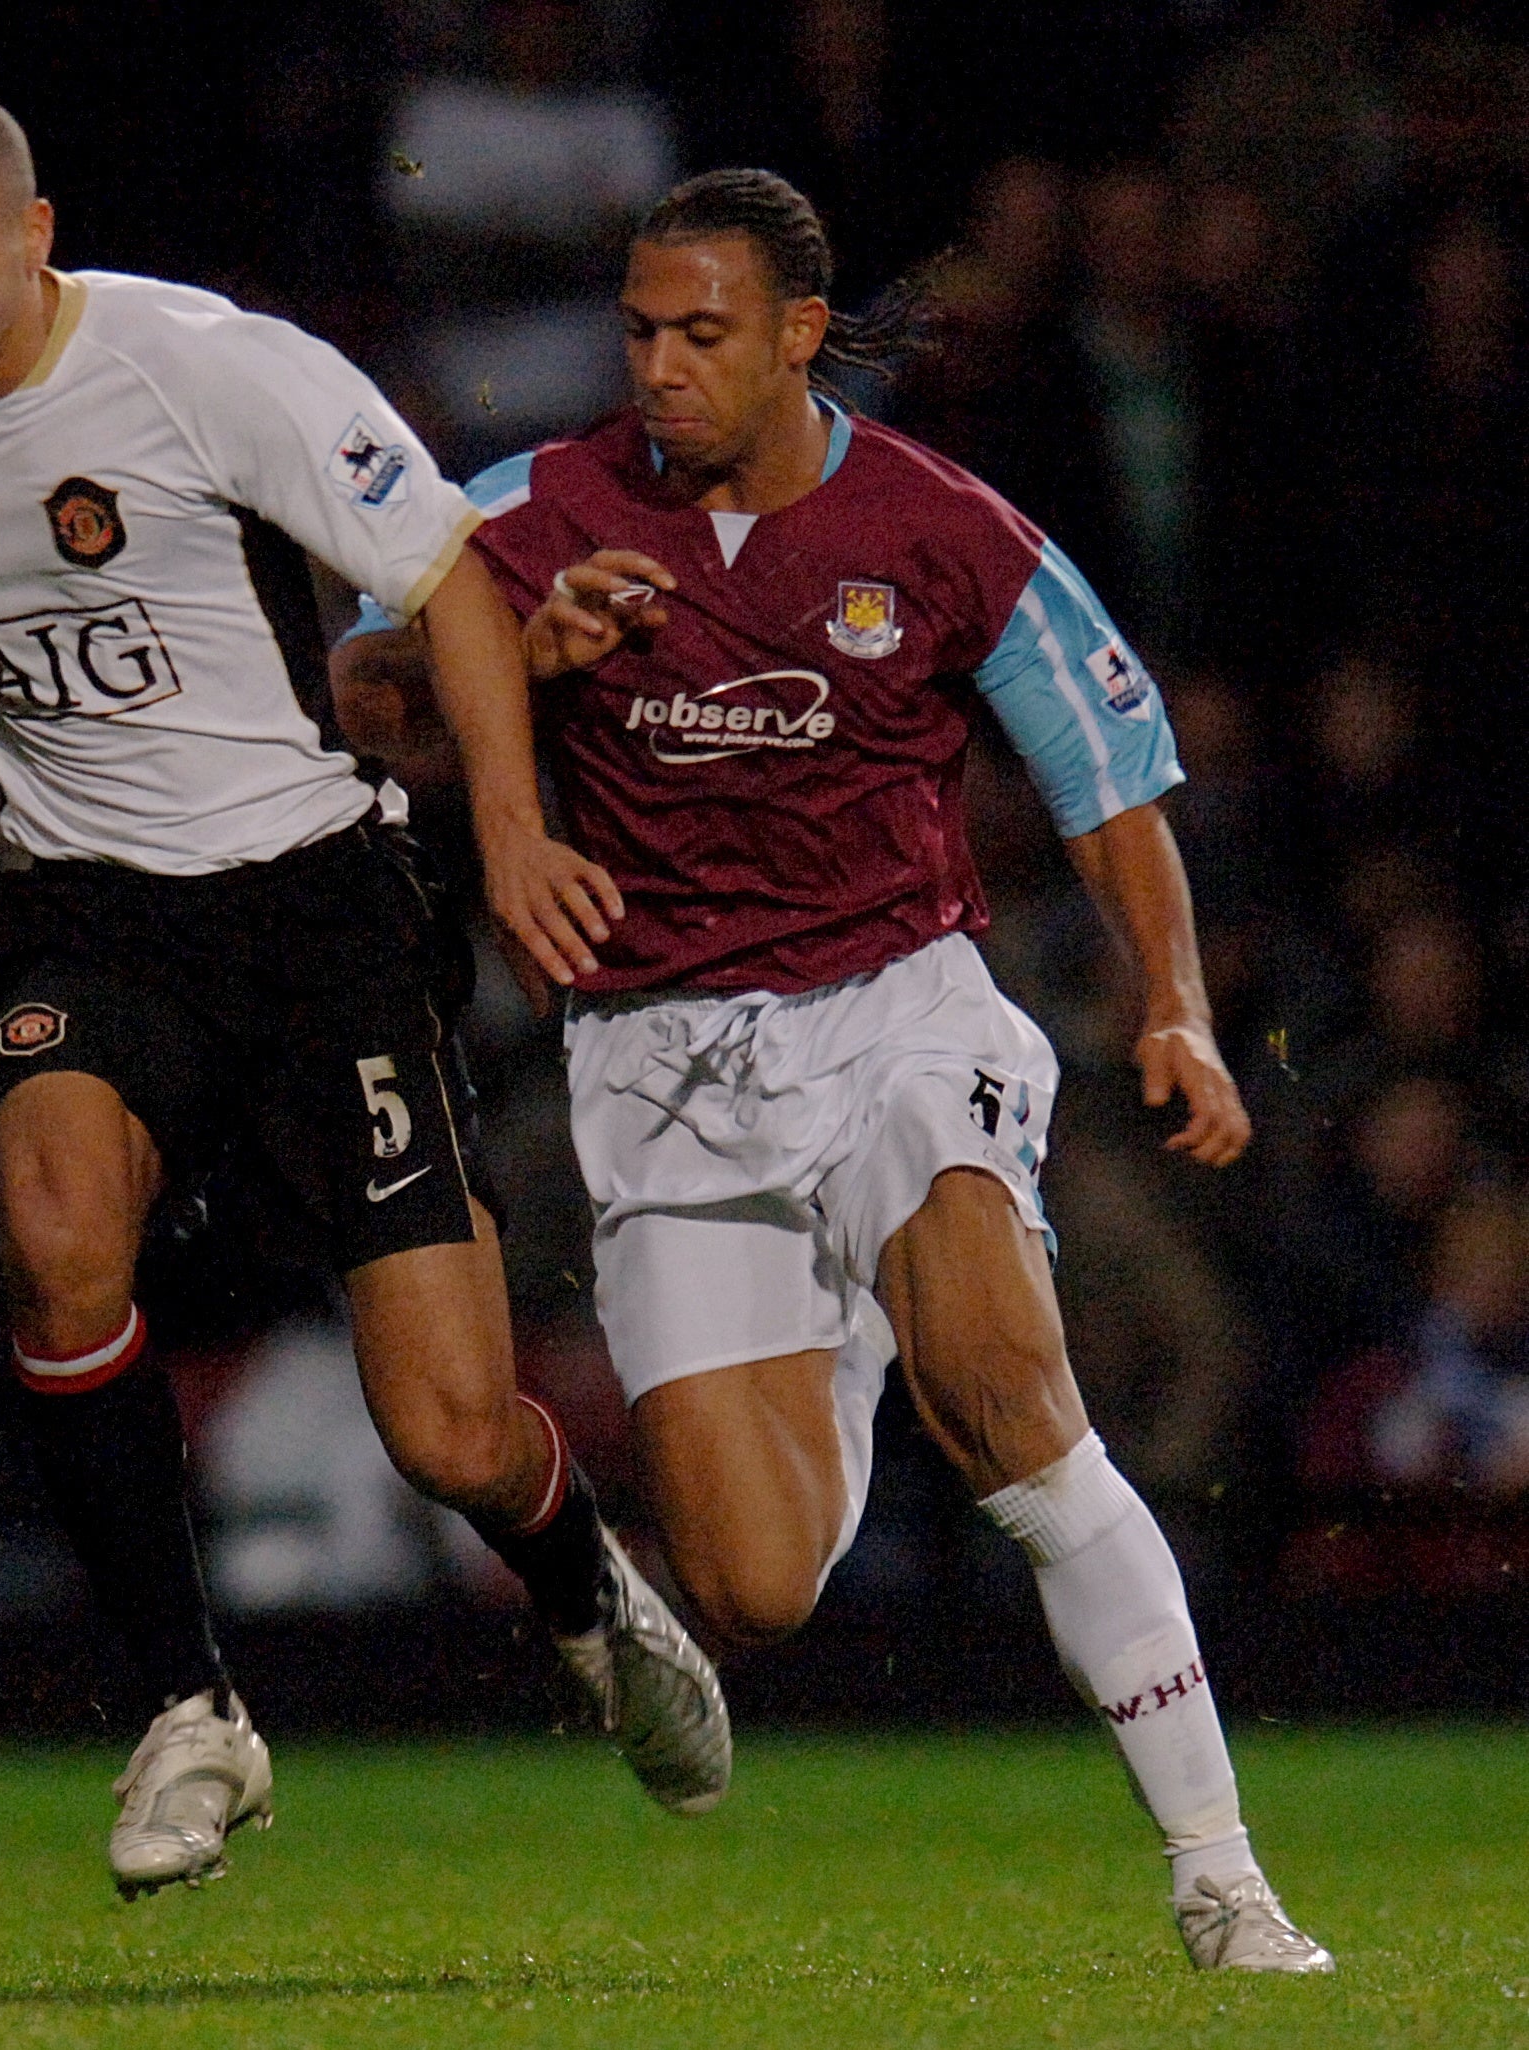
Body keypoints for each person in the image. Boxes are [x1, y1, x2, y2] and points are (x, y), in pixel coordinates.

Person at [334, 169, 1331, 1975]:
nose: (656, 367)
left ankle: (1218, 1872)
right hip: (659, 1062)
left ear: (798, 335)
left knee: (1014, 1401)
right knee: (750, 1588)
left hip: (896, 1010)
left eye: (698, 333)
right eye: (637, 330)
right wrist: (521, 660)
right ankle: (845, 1323)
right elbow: (367, 703)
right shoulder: (528, 514)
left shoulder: (940, 525)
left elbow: (1111, 778)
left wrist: (1170, 1003)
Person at [0, 89, 722, 1898]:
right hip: (91, 913)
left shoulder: (209, 370)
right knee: (53, 1220)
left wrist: (520, 835)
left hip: (316, 908)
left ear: (36, 233)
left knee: (450, 1431)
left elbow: (444, 590)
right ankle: (187, 1709)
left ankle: (583, 1584)